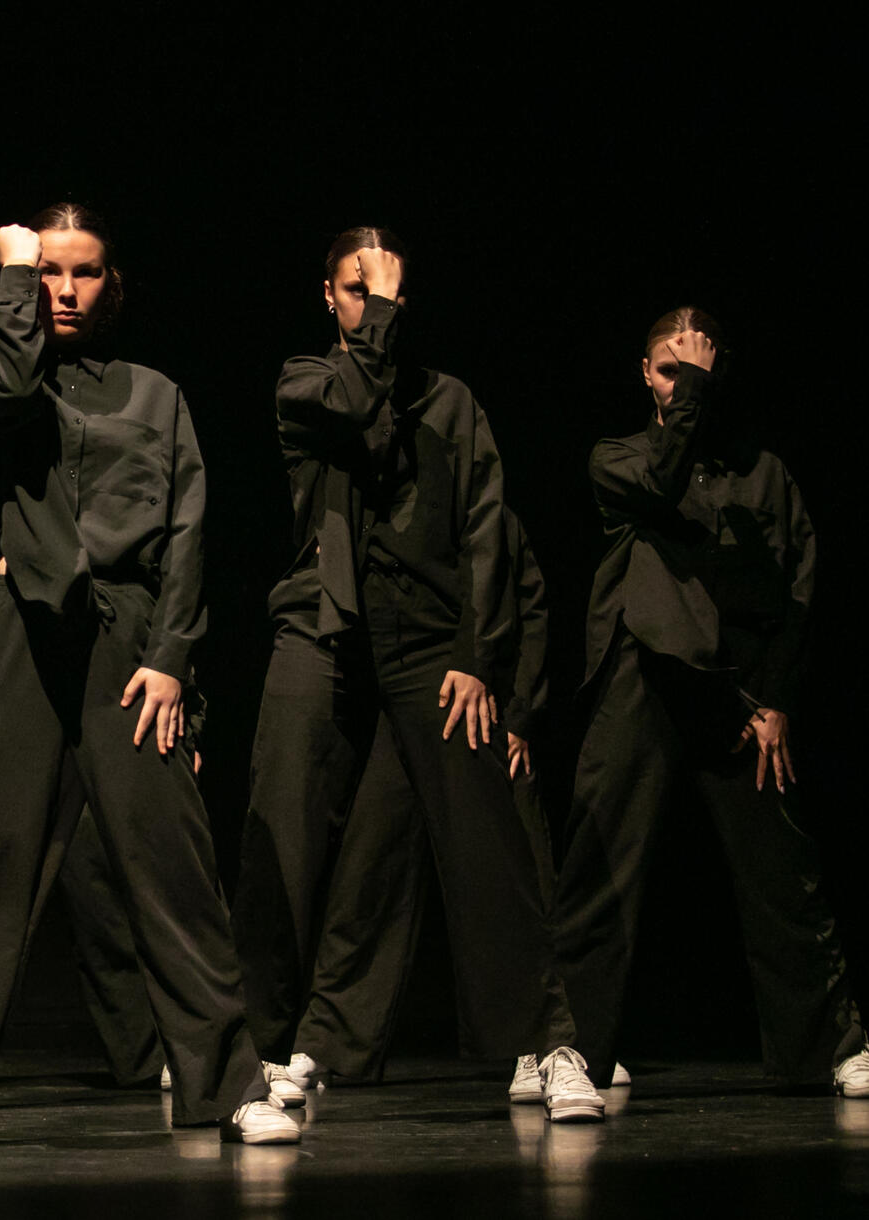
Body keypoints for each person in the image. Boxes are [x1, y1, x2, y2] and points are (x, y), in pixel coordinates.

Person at [0, 206, 297, 1149]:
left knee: (172, 869)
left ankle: (228, 1084)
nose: (65, 290)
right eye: (48, 273)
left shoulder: (155, 394)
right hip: (14, 636)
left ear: (109, 285)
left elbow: (189, 531)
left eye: (82, 273)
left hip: (127, 644)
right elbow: (7, 388)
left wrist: (172, 659)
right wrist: (11, 270)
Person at [230, 227, 603, 1122]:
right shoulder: (305, 382)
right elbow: (358, 403)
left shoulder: (452, 401)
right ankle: (266, 1052)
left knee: (483, 846)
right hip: (325, 630)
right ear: (329, 297)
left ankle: (550, 1043)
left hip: (428, 644)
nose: (372, 305)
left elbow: (486, 534)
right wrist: (379, 325)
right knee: (291, 834)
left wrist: (479, 660)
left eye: (386, 291)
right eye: (357, 289)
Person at [550, 307, 867, 1096]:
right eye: (670, 370)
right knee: (602, 867)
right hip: (645, 678)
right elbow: (662, 483)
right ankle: (569, 1050)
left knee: (782, 873)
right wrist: (689, 393)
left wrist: (778, 700)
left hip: (738, 696)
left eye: (698, 372)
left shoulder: (764, 474)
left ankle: (832, 1047)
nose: (683, 385)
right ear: (647, 375)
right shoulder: (620, 457)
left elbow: (799, 593)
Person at [289, 509, 585, 1100]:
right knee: (369, 870)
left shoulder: (484, 506)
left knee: (505, 874)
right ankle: (328, 1040)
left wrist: (520, 717)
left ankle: (542, 1044)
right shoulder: (372, 506)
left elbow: (528, 607)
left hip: (475, 702)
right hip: (402, 697)